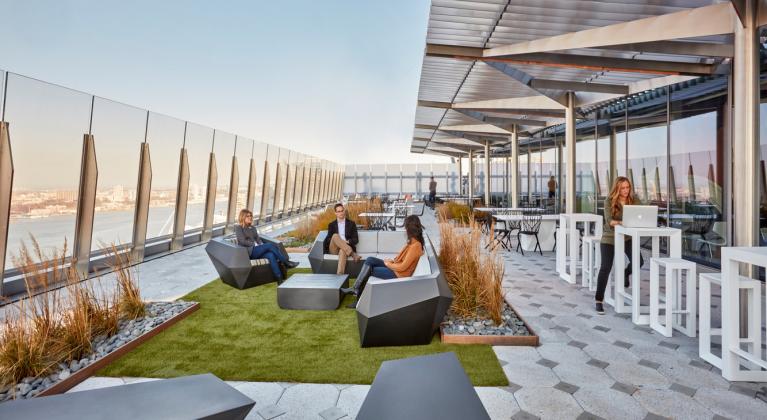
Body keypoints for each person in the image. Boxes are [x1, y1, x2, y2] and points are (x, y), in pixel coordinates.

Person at [342, 215, 425, 308]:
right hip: (396, 267)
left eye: (406, 227)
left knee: (370, 270)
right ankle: (355, 288)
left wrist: (389, 264)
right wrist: (392, 261)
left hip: (399, 274)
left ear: (410, 229)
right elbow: (401, 260)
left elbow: (403, 267)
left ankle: (358, 299)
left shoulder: (415, 246)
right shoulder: (412, 243)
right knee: (370, 259)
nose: (405, 230)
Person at [594, 176, 644, 315]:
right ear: (617, 188)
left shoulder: (634, 200)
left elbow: (642, 214)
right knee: (606, 267)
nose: (626, 190)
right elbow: (610, 221)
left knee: (639, 261)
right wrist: (623, 222)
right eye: (622, 188)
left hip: (627, 238)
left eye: (627, 187)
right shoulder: (609, 201)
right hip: (610, 238)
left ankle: (625, 272)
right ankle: (599, 300)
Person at [235, 209, 299, 280]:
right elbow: (242, 241)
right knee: (269, 245)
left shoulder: (253, 228)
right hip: (248, 252)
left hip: (257, 251)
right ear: (242, 217)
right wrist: (255, 244)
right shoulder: (239, 228)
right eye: (247, 216)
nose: (250, 217)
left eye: (250, 216)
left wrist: (261, 244)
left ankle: (279, 279)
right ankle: (286, 263)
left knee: (270, 255)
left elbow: (258, 238)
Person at [323, 203, 361, 275]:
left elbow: (356, 239)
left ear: (344, 211)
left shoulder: (351, 224)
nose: (341, 213)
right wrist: (338, 241)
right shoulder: (331, 225)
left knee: (343, 250)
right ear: (335, 213)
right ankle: (353, 254)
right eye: (339, 211)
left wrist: (347, 241)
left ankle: (339, 276)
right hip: (334, 248)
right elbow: (328, 239)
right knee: (335, 236)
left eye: (342, 210)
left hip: (345, 247)